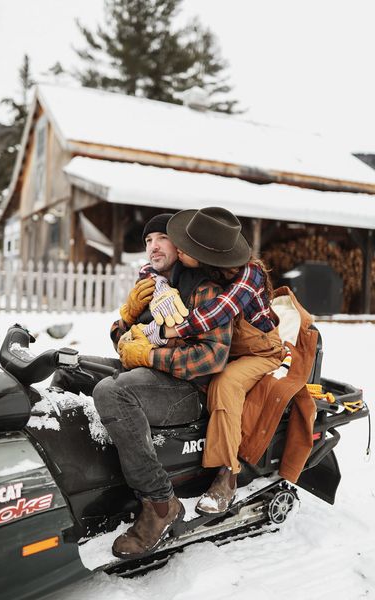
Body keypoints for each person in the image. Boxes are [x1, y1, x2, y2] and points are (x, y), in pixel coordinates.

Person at [52, 213, 232, 558]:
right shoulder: (152, 286)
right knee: (68, 368)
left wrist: (149, 356)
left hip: (187, 390)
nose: (153, 247)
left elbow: (213, 357)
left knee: (112, 392)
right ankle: (74, 478)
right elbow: (124, 343)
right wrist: (128, 317)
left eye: (162, 238)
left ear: (182, 246)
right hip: (149, 376)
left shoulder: (204, 290)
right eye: (148, 241)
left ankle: (161, 504)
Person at [143, 207, 285, 516]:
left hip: (259, 351)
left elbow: (217, 313)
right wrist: (158, 283)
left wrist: (165, 332)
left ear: (207, 256)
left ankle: (227, 475)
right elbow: (152, 268)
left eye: (186, 248)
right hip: (228, 348)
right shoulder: (206, 271)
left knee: (226, 383)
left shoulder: (249, 273)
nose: (179, 249)